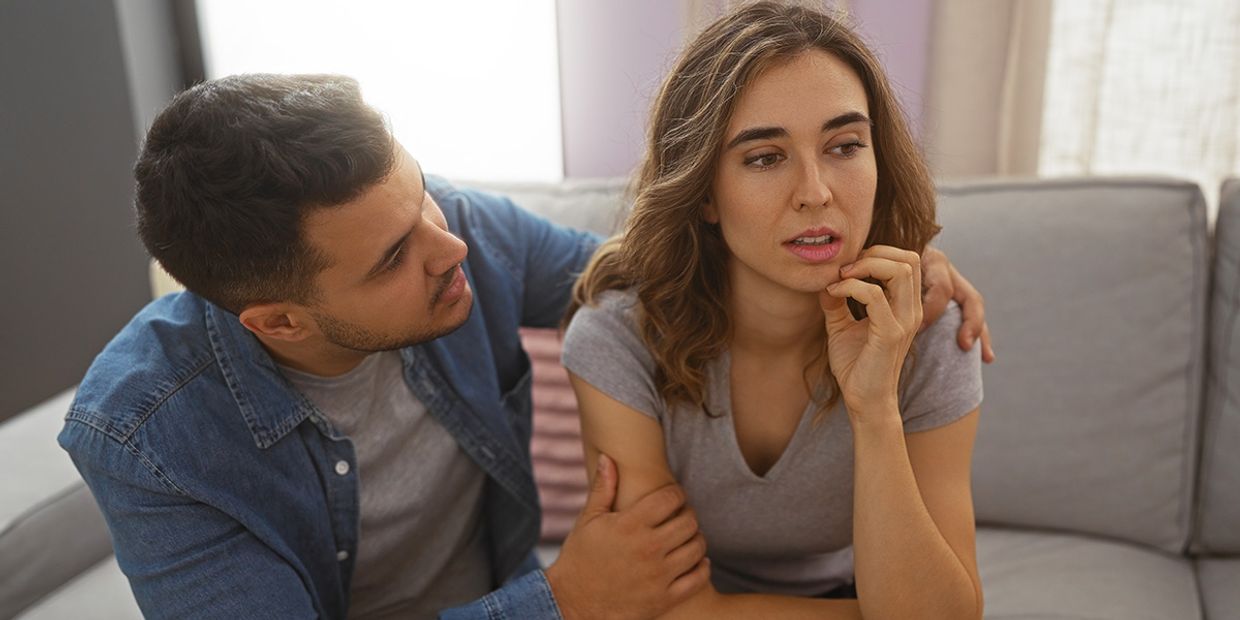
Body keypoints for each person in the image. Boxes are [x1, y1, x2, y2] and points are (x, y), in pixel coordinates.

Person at [59, 73, 987, 619]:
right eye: (392, 256)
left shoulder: (461, 236)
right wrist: (562, 600)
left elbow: (654, 274)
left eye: (421, 194)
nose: (450, 245)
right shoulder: (145, 439)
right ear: (279, 320)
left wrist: (867, 256)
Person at [563, 3, 985, 619]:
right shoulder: (618, 339)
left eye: (844, 146)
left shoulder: (926, 328)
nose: (815, 192)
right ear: (704, 192)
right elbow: (663, 606)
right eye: (764, 157)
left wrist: (875, 408)